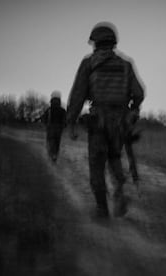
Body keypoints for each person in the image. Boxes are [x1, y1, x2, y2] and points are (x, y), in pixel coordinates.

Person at [67, 22, 145, 218]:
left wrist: (71, 122)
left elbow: (78, 95)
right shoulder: (126, 64)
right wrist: (132, 111)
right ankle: (119, 191)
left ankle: (102, 208)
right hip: (120, 123)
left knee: (96, 164)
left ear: (95, 42)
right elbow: (139, 93)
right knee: (115, 157)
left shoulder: (89, 63)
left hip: (98, 121)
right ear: (113, 42)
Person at [39, 91, 67, 162]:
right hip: (59, 129)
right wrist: (63, 126)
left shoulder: (49, 109)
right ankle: (55, 156)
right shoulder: (62, 110)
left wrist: (45, 124)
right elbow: (65, 120)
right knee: (57, 143)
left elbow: (43, 119)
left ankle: (51, 155)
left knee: (50, 142)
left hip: (50, 128)